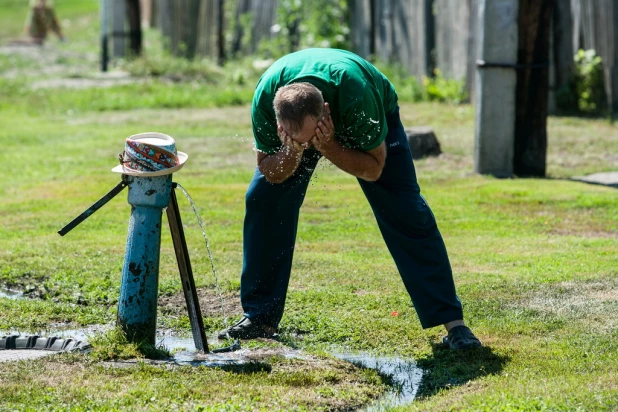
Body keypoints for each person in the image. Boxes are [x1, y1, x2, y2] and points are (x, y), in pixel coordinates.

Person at [218, 48, 481, 350]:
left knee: (405, 209)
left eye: (309, 140)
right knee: (262, 200)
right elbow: (270, 171)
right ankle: (259, 318)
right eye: (296, 139)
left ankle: (454, 324)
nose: (307, 147)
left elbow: (374, 169)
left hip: (361, 104)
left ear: (326, 114)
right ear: (280, 125)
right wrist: (293, 150)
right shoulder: (266, 101)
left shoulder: (356, 97)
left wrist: (327, 145)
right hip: (306, 124)